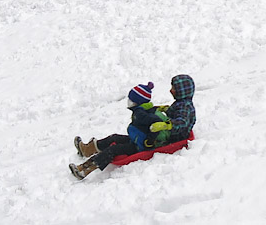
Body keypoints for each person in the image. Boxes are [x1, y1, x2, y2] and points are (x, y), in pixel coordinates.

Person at [69, 75, 197, 180]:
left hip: (157, 140)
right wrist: (162, 109)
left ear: (182, 91)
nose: (170, 90)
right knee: (114, 137)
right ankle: (87, 149)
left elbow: (182, 123)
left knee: (114, 150)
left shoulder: (185, 107)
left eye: (174, 88)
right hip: (150, 133)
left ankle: (84, 170)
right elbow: (172, 114)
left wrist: (166, 124)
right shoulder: (181, 103)